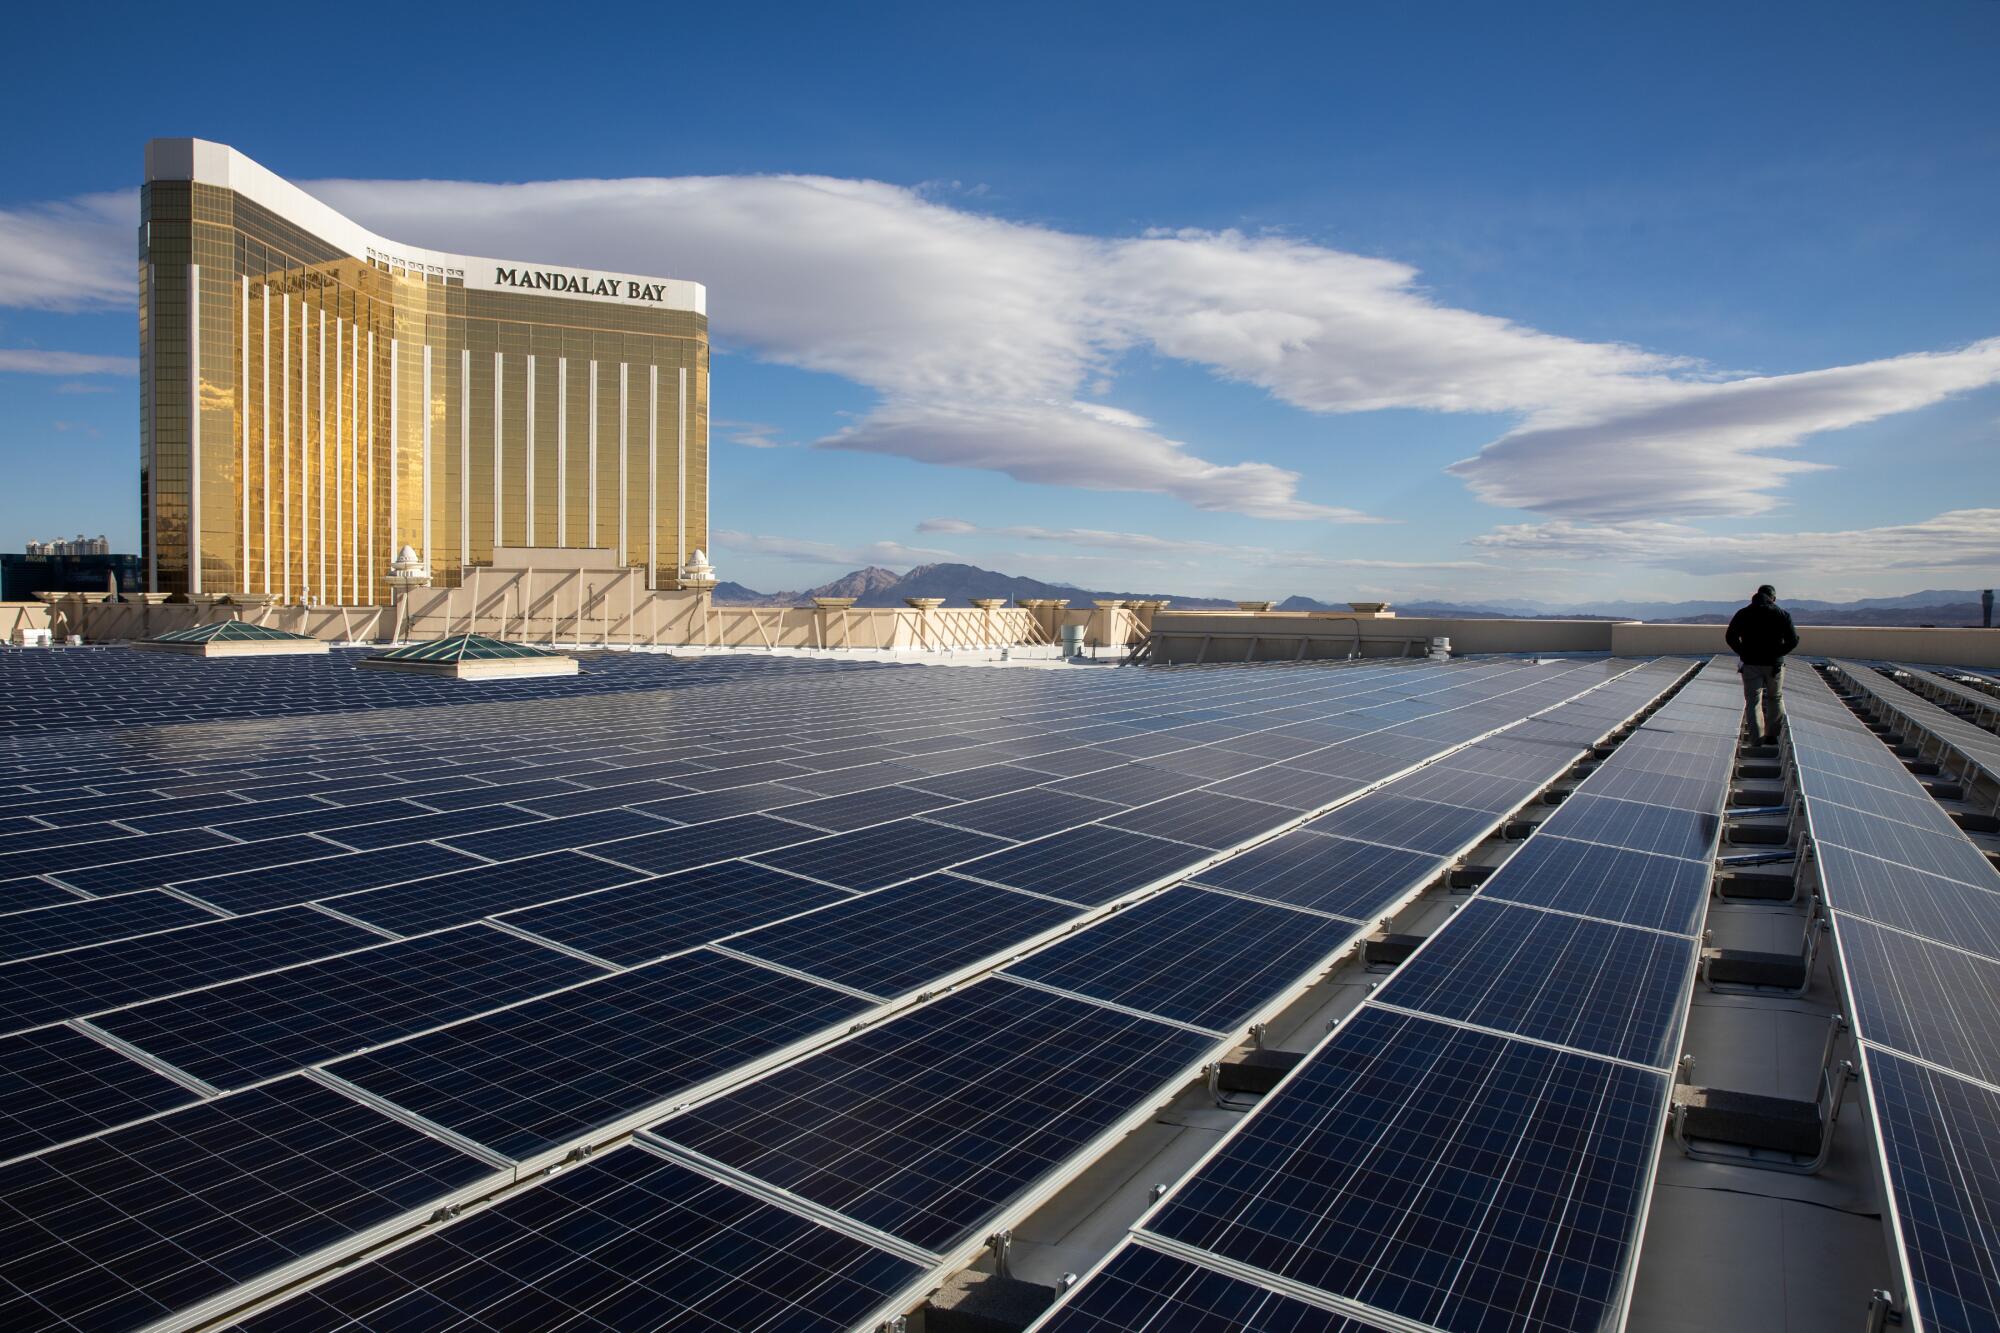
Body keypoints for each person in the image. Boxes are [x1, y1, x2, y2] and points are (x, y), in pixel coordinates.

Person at [1725, 584, 1799, 744]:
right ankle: (1772, 736)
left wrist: (1743, 652)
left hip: (1751, 663)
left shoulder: (1744, 613)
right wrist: (1779, 654)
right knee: (1775, 697)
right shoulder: (1782, 614)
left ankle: (1756, 738)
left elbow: (1730, 637)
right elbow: (1793, 640)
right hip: (1774, 665)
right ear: (1773, 598)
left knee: (1753, 700)